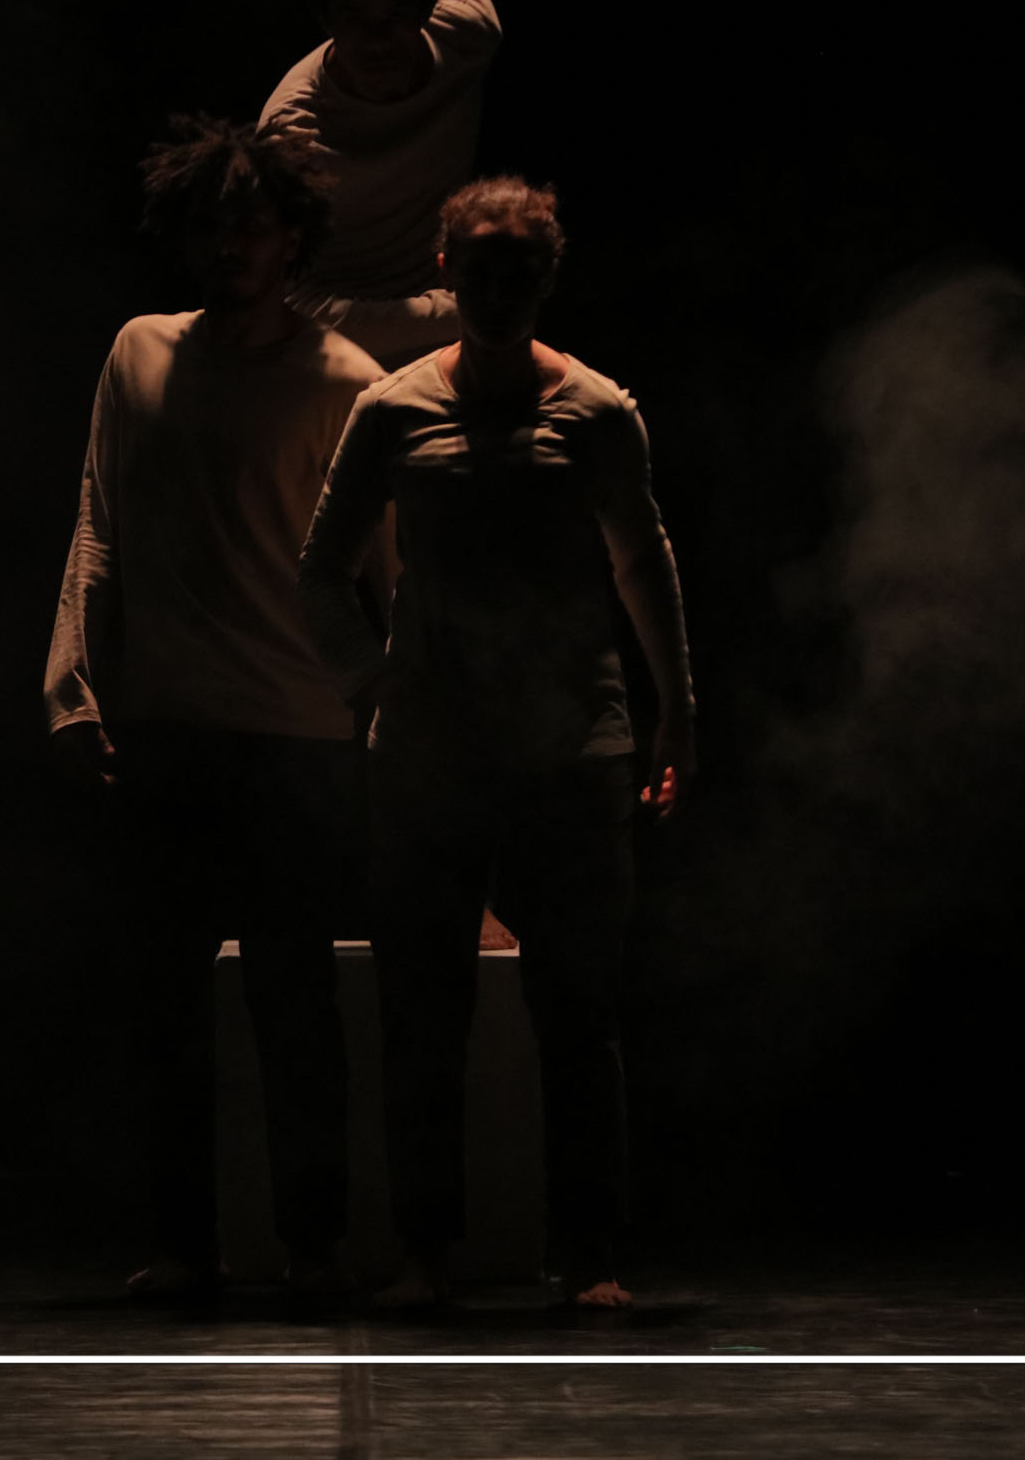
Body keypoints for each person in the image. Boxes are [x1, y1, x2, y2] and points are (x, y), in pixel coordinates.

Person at [297, 176, 694, 1311]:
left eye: (519, 268)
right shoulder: (393, 408)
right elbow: (321, 568)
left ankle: (592, 1253)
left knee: (580, 1010)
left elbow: (642, 560)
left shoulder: (598, 410)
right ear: (447, 272)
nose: (498, 286)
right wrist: (372, 678)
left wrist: (677, 710)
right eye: (479, 266)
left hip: (570, 750)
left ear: (547, 275)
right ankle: (427, 1250)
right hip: (432, 757)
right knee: (423, 1011)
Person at [45, 117, 394, 1300]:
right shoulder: (138, 350)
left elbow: (386, 574)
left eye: (253, 222)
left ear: (294, 236)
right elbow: (98, 518)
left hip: (298, 732)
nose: (232, 243)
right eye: (213, 224)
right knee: (163, 1003)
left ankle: (314, 1244)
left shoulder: (348, 383)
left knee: (297, 1001)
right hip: (166, 725)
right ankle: (183, 1244)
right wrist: (70, 684)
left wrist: (392, 715)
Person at [256, 0, 502, 366]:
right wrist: (461, 312)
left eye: (398, 14)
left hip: (459, 330)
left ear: (427, 7)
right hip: (339, 351)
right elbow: (291, 303)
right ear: (326, 20)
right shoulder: (294, 130)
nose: (377, 41)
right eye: (354, 18)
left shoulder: (468, 32)